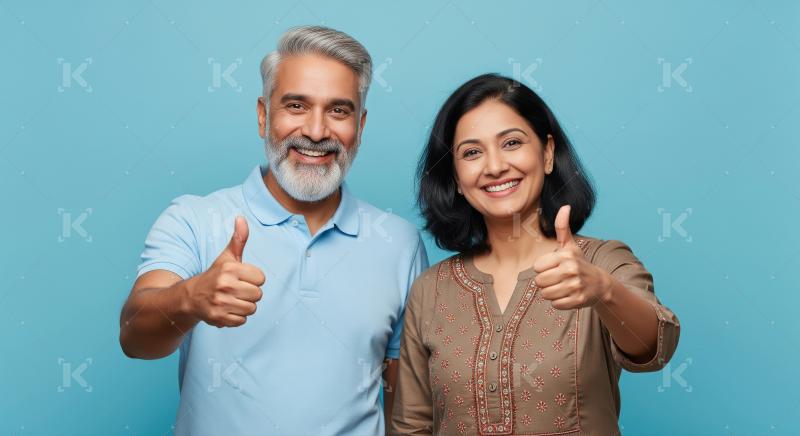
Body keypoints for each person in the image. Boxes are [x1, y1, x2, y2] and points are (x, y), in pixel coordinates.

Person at [119, 25, 428, 436]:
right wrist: (191, 298)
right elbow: (134, 338)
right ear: (264, 115)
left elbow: (405, 409)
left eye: (339, 111)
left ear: (361, 124)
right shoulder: (193, 219)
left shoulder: (401, 244)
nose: (316, 132)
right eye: (296, 106)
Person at [391, 74, 680, 435]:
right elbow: (412, 425)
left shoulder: (602, 261)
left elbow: (657, 348)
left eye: (511, 143)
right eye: (472, 152)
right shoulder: (430, 289)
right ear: (455, 178)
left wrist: (603, 291)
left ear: (547, 153)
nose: (495, 166)